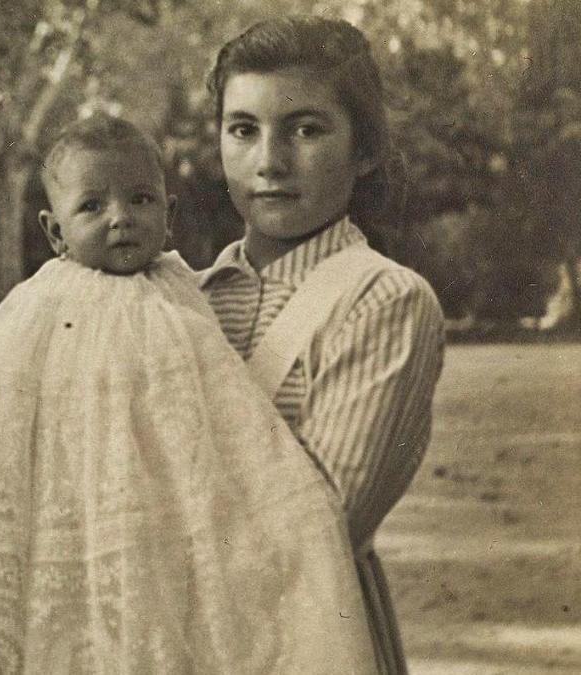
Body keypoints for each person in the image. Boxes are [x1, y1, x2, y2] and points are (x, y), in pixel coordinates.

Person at [0, 114, 376, 674]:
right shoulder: (30, 312)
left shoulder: (180, 297)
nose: (120, 219)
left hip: (164, 509)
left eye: (140, 200)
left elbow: (228, 411)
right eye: (92, 207)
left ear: (169, 214)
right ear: (54, 231)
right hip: (65, 506)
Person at [200, 16, 447, 675]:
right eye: (243, 129)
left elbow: (322, 521)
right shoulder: (180, 299)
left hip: (309, 636)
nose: (270, 161)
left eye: (306, 129)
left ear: (364, 149)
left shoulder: (383, 299)